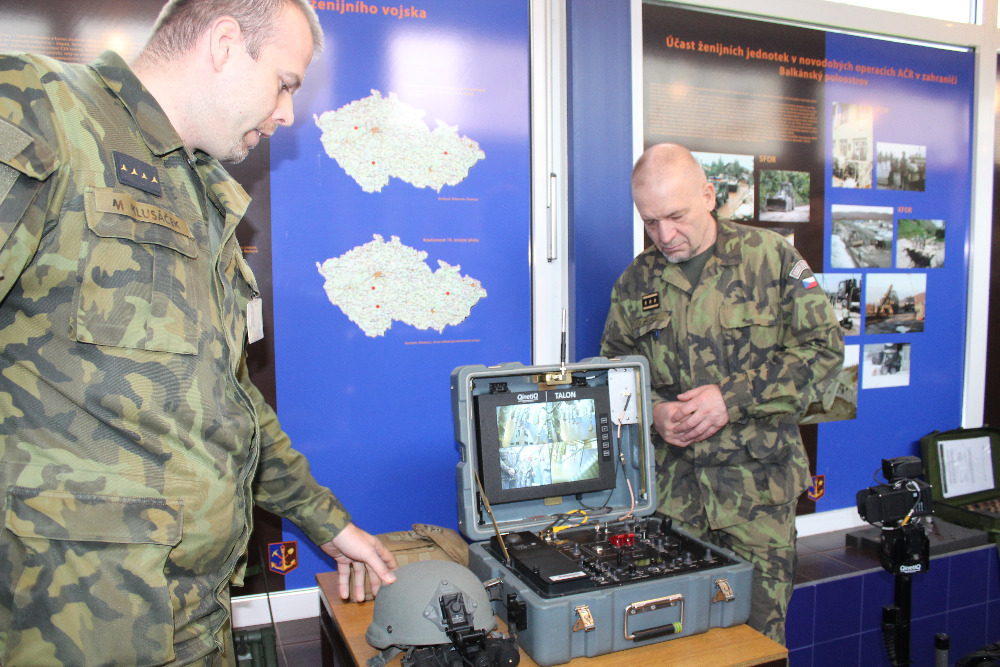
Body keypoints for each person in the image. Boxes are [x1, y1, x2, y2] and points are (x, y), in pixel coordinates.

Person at [0, 1, 397, 664]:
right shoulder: (41, 112)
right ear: (222, 43)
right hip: (68, 626)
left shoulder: (202, 196)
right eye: (285, 83)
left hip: (191, 615)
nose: (286, 113)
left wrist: (332, 524)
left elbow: (231, 407)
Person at [600, 143, 844, 644]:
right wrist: (653, 411)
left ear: (709, 196)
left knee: (755, 646)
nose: (664, 235)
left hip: (756, 507)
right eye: (650, 222)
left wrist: (730, 398)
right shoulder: (635, 283)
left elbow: (824, 352)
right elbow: (611, 376)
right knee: (672, 649)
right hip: (672, 507)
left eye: (676, 216)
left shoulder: (771, 259)